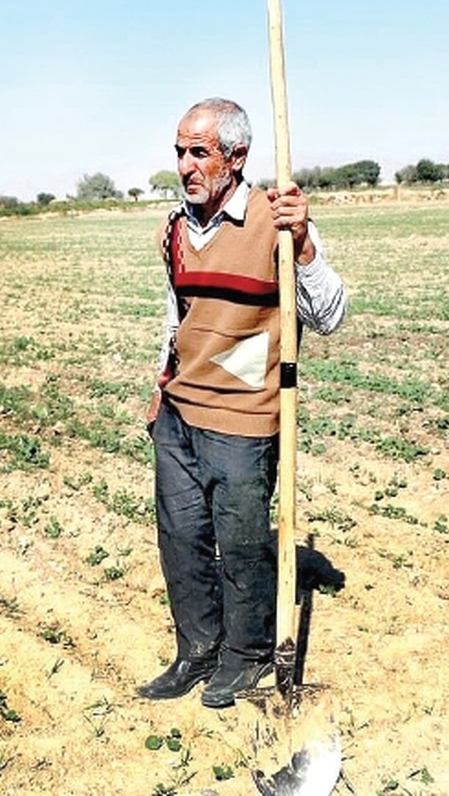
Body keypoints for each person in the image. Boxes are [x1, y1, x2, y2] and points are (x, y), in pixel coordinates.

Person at [138, 97, 347, 708]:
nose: (185, 165)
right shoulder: (173, 230)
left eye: (198, 152)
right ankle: (196, 650)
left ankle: (247, 654)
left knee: (244, 540)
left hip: (244, 416)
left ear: (236, 157)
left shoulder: (276, 223)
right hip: (179, 414)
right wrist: (159, 387)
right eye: (180, 151)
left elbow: (330, 314)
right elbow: (178, 320)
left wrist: (303, 244)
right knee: (181, 536)